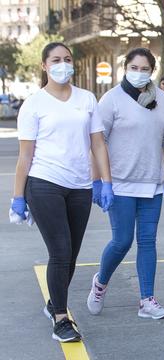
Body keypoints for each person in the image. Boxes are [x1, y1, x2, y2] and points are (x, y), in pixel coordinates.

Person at [10, 42, 113, 342]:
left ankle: (54, 302)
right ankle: (60, 319)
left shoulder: (87, 99)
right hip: (44, 183)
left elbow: (97, 144)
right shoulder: (34, 104)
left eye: (67, 59)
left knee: (71, 255)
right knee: (60, 251)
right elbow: (25, 156)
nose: (63, 64)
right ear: (44, 66)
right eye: (56, 60)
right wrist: (18, 196)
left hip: (79, 185)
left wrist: (104, 181)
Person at [86, 48, 164, 320]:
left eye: (145, 68)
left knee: (148, 241)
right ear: (125, 67)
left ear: (153, 70)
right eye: (134, 67)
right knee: (122, 241)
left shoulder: (161, 99)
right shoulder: (112, 99)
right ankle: (100, 283)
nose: (139, 72)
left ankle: (147, 300)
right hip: (120, 183)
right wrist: (99, 181)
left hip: (152, 183)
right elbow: (97, 141)